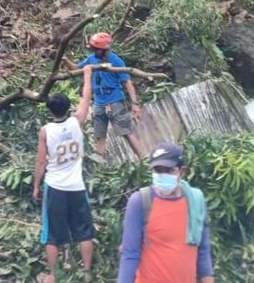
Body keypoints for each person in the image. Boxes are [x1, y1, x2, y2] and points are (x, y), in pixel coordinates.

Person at [117, 142, 214, 283]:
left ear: (181, 172)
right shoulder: (140, 202)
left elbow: (203, 250)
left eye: (169, 170)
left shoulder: (195, 201)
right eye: (157, 170)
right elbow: (130, 254)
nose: (162, 175)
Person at [33, 66, 95, 283]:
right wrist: (87, 75)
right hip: (77, 185)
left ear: (50, 110)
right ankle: (87, 273)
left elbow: (41, 161)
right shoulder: (77, 121)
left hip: (55, 186)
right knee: (84, 230)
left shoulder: (45, 131)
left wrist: (36, 186)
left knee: (52, 234)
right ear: (68, 108)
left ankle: (52, 274)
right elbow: (86, 97)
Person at [62, 32, 144, 157]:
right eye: (93, 49)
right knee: (99, 136)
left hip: (115, 100)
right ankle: (100, 166)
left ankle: (144, 160)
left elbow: (127, 82)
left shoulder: (116, 61)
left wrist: (135, 104)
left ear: (104, 49)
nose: (94, 51)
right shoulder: (91, 59)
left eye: (97, 49)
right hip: (98, 102)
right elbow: (75, 69)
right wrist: (64, 60)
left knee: (126, 132)